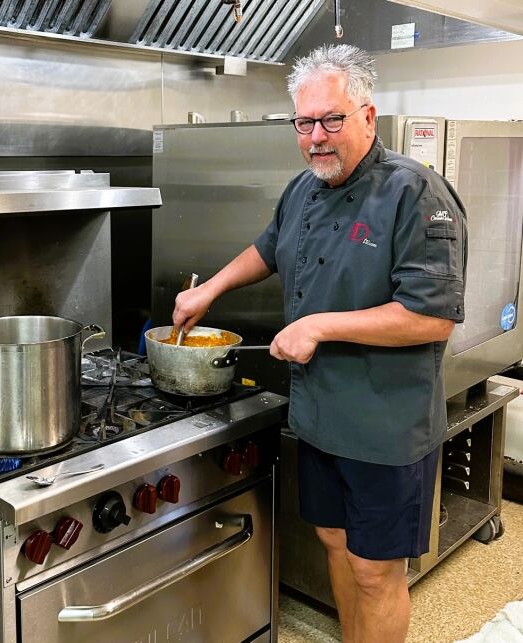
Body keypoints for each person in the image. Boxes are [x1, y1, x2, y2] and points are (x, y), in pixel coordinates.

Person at [172, 44, 467, 643]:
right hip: (321, 414)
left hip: (387, 422)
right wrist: (213, 290)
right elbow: (267, 247)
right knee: (335, 543)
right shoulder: (302, 190)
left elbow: (432, 317)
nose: (316, 138)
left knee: (375, 569)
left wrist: (319, 325)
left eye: (332, 120)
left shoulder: (416, 194)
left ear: (367, 117)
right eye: (305, 123)